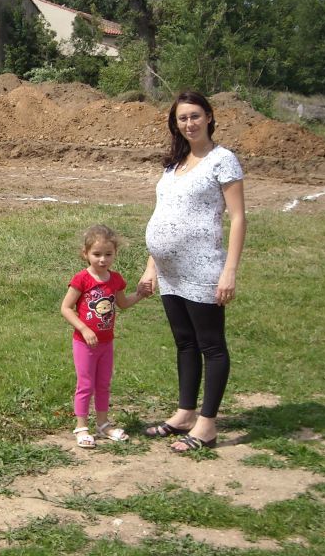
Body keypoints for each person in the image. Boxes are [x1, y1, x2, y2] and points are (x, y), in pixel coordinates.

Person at [139, 90, 246, 454]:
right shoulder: (174, 163)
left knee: (211, 345)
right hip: (169, 270)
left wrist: (229, 271)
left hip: (203, 269)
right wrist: (151, 266)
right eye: (182, 118)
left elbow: (238, 218)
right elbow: (163, 215)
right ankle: (185, 413)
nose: (189, 123)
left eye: (195, 116)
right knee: (184, 343)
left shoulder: (223, 160)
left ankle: (207, 425)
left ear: (210, 117)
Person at [61, 224, 152, 448]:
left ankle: (102, 424)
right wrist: (83, 328)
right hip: (84, 343)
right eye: (97, 254)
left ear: (115, 254)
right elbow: (65, 308)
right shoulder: (82, 279)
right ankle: (81, 427)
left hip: (106, 343)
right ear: (86, 254)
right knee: (85, 384)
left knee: (103, 384)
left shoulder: (115, 279)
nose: (102, 259)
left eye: (108, 254)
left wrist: (139, 295)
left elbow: (122, 304)